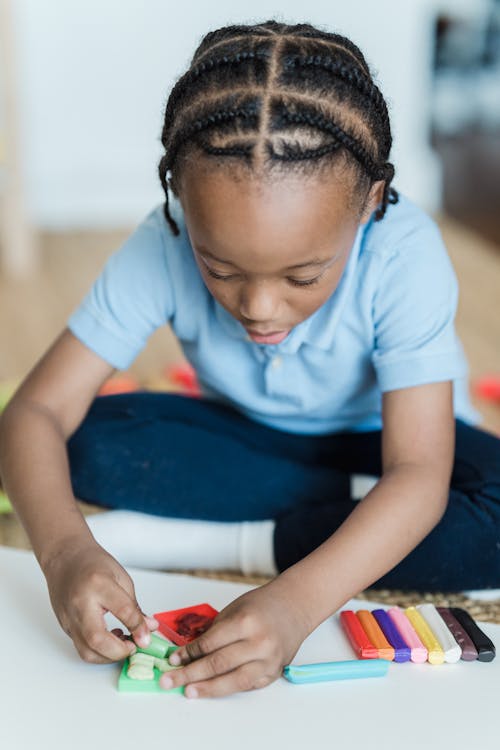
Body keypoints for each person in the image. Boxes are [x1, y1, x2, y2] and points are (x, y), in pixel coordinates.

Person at [0, 20, 499, 700]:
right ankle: (347, 518)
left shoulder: (404, 252)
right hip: (253, 440)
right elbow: (35, 410)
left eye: (303, 277)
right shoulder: (161, 242)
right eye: (220, 266)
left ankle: (236, 544)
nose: (259, 307)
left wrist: (296, 601)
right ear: (179, 196)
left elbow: (417, 471)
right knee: (87, 443)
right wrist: (63, 554)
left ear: (369, 205)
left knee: (489, 512)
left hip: (390, 446)